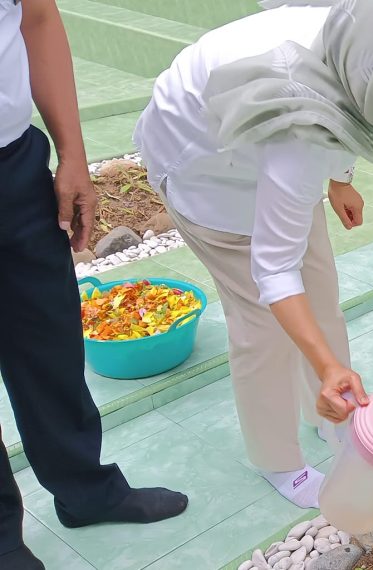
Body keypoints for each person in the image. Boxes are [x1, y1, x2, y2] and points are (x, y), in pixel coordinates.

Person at [133, 0, 373, 509]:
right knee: (263, 327)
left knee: (319, 293)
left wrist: (341, 179)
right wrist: (326, 363)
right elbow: (273, 268)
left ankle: (330, 413)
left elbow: (353, 112)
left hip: (274, 148)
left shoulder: (363, 43)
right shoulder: (296, 134)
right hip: (206, 166)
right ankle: (279, 461)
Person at [0, 1, 189, 568]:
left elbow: (36, 17)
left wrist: (72, 154)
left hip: (13, 164)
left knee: (49, 339)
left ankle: (85, 490)